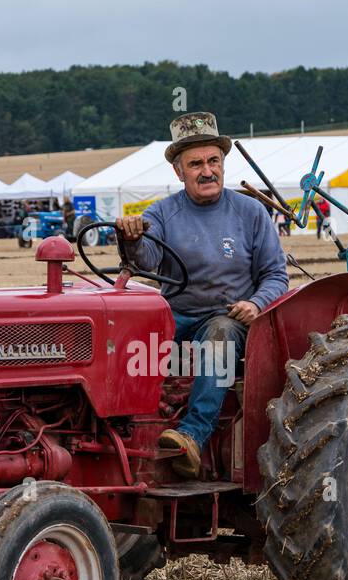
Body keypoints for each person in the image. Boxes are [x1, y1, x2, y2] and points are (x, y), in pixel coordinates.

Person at [117, 111, 288, 478]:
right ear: (179, 172)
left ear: (223, 164)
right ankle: (123, 430)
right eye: (195, 164)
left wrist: (255, 303)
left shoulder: (250, 212)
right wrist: (132, 239)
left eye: (214, 161)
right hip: (178, 316)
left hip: (230, 318)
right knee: (126, 334)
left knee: (219, 335)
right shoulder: (163, 213)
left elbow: (275, 274)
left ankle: (192, 436)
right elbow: (147, 259)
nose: (206, 171)